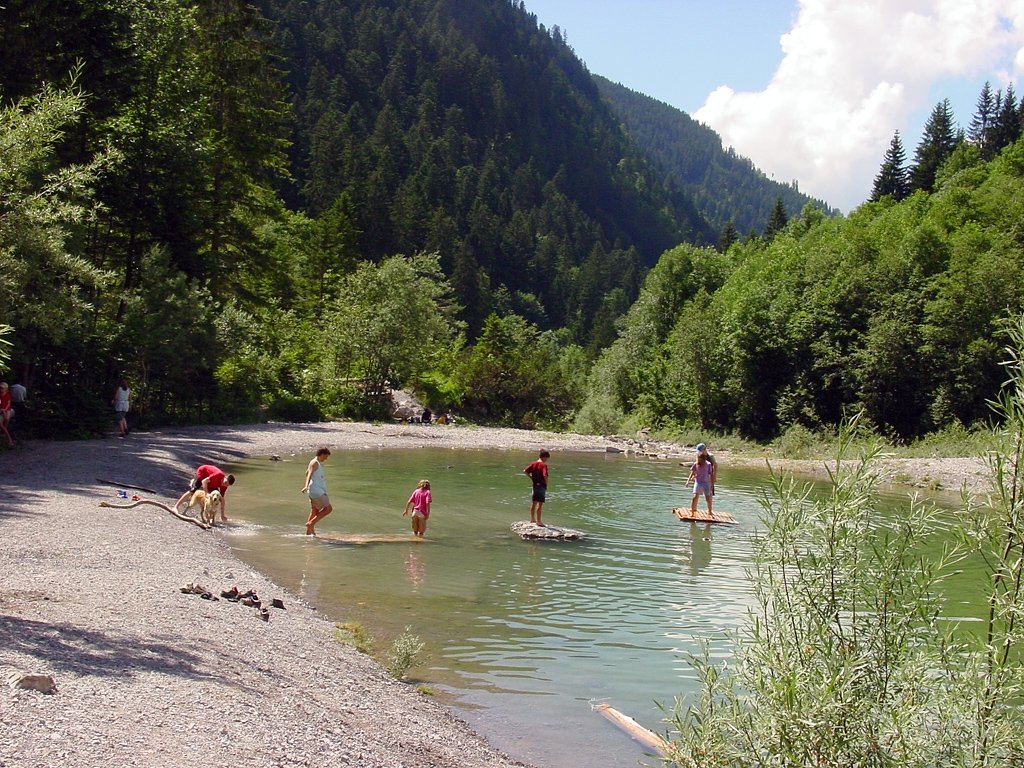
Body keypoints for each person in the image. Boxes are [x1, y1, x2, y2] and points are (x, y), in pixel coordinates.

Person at [301, 447, 333, 536]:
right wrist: (306, 486)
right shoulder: (315, 462)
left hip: (314, 490)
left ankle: (309, 533)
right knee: (328, 509)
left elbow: (307, 472)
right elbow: (309, 474)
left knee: (315, 510)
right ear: (322, 454)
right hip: (316, 490)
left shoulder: (314, 462)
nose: (326, 459)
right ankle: (311, 524)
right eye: (325, 457)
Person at [523, 449, 550, 526]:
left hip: (535, 485)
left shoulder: (533, 463)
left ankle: (532, 519)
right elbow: (545, 475)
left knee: (534, 502)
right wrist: (546, 484)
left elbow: (525, 471)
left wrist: (531, 478)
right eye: (547, 458)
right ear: (544, 457)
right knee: (540, 504)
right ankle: (539, 521)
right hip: (541, 485)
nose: (546, 460)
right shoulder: (544, 465)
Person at [686, 451, 715, 517]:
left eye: (700, 459)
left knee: (708, 498)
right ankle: (692, 512)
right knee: (694, 497)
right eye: (698, 458)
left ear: (703, 459)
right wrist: (688, 481)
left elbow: (711, 474)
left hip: (706, 483)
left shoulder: (708, 464)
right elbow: (692, 472)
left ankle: (710, 512)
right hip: (698, 482)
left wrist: (712, 485)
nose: (698, 460)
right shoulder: (696, 464)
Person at [0, 382, 13, 447]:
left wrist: (5, 409)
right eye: (0, 388)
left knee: (7, 418)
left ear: (5, 388)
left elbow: (8, 404)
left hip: (7, 409)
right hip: (1, 409)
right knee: (1, 422)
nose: (1, 389)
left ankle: (4, 430)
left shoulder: (7, 394)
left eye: (2, 388)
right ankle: (7, 436)